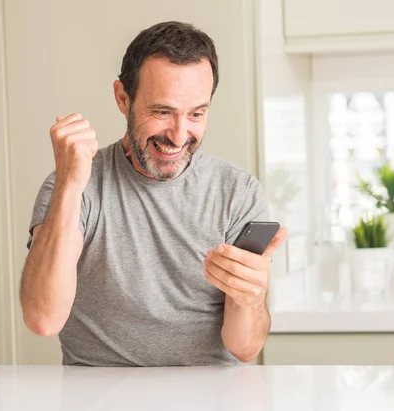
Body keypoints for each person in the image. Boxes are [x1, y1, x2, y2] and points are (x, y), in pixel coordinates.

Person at [20, 21, 288, 367]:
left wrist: (250, 299)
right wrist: (70, 187)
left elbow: (245, 349)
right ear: (122, 98)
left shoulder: (236, 191)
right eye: (162, 112)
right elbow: (43, 318)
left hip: (209, 394)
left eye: (197, 114)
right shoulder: (75, 186)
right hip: (98, 395)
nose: (178, 136)